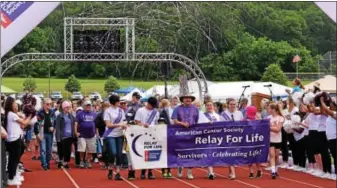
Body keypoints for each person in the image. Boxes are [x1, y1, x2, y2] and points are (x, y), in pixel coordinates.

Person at [4, 97, 32, 186]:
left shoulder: (12, 114)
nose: (16, 104)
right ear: (10, 104)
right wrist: (31, 115)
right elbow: (24, 123)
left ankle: (14, 174)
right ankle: (11, 178)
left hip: (16, 138)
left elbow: (22, 125)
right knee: (14, 159)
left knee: (20, 152)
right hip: (13, 140)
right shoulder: (12, 114)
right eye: (14, 103)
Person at [171, 93, 199, 180]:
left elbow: (196, 121)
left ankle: (189, 172)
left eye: (189, 98)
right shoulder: (177, 109)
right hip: (180, 133)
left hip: (192, 133)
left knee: (191, 153)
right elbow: (174, 120)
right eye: (186, 98)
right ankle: (180, 167)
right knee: (181, 152)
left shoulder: (196, 109)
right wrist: (182, 123)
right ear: (182, 100)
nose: (188, 99)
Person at [134, 97, 160, 180]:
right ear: (148, 103)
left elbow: (156, 122)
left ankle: (150, 172)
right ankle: (143, 171)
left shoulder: (156, 112)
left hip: (152, 134)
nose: (153, 107)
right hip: (142, 134)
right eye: (152, 105)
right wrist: (143, 124)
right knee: (143, 153)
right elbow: (136, 121)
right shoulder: (140, 110)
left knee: (151, 153)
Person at [103, 94, 127, 180]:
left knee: (119, 154)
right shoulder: (107, 111)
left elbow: (124, 121)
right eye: (118, 101)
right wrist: (119, 125)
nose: (119, 103)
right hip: (110, 135)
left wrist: (124, 125)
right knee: (113, 152)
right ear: (113, 102)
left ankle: (118, 173)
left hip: (119, 134)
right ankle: (110, 168)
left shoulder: (121, 111)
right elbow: (108, 125)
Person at [220, 98, 243, 180]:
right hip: (227, 137)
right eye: (231, 104)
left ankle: (230, 171)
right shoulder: (223, 114)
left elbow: (242, 124)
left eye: (234, 104)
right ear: (228, 105)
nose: (233, 106)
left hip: (237, 137)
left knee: (232, 154)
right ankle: (233, 173)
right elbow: (221, 126)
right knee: (230, 154)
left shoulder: (239, 113)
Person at [198, 100, 220, 180]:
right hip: (206, 138)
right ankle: (211, 172)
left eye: (211, 105)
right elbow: (199, 126)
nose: (209, 107)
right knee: (208, 154)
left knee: (213, 155)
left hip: (216, 138)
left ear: (213, 106)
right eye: (208, 105)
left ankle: (210, 171)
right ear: (205, 107)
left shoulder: (217, 116)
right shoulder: (202, 116)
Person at [34, 98, 56, 170]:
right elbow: (36, 125)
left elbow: (55, 122)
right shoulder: (39, 113)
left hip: (50, 134)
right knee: (43, 150)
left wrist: (53, 127)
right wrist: (37, 135)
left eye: (50, 104)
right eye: (47, 104)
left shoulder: (52, 112)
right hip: (42, 133)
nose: (49, 105)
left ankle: (48, 162)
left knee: (49, 150)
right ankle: (44, 165)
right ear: (43, 104)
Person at [75, 100, 97, 169]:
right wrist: (76, 132)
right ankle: (82, 161)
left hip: (91, 134)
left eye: (89, 105)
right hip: (82, 134)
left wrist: (96, 133)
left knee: (90, 149)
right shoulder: (80, 114)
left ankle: (88, 161)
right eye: (87, 105)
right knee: (82, 148)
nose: (88, 107)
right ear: (84, 106)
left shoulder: (94, 114)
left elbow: (96, 124)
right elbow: (76, 124)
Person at [55, 101, 75, 169]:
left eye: (69, 107)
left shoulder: (71, 116)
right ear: (63, 108)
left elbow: (73, 124)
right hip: (62, 136)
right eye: (67, 107)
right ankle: (60, 162)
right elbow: (57, 127)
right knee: (61, 150)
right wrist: (58, 137)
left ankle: (66, 163)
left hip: (69, 136)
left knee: (68, 150)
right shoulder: (60, 116)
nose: (68, 108)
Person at [321, 97, 337, 180]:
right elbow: (323, 111)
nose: (330, 107)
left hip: (335, 138)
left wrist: (322, 101)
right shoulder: (330, 114)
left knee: (336, 155)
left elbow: (326, 110)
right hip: (330, 138)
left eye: (332, 106)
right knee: (334, 155)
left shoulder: (335, 114)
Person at [245, 106, 263, 179]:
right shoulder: (244, 120)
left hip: (256, 140)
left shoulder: (258, 119)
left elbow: (262, 127)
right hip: (248, 140)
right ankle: (251, 171)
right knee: (249, 156)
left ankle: (259, 169)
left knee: (256, 156)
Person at [267, 103, 284, 179]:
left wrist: (269, 127)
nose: (268, 110)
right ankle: (273, 172)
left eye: (269, 108)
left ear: (273, 109)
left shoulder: (280, 118)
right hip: (270, 139)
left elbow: (278, 129)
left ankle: (276, 170)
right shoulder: (268, 118)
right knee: (272, 155)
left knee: (276, 156)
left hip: (278, 139)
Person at [159, 99, 172, 178]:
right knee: (164, 153)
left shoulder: (171, 110)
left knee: (169, 153)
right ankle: (164, 170)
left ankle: (168, 170)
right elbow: (160, 122)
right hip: (163, 133)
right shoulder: (161, 111)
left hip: (170, 133)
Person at [95, 101, 110, 169]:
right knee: (104, 150)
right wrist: (105, 123)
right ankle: (105, 163)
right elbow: (97, 125)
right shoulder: (99, 115)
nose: (107, 108)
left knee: (110, 150)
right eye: (105, 107)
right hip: (102, 134)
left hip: (111, 134)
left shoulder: (111, 115)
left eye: (108, 107)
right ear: (103, 108)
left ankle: (109, 163)